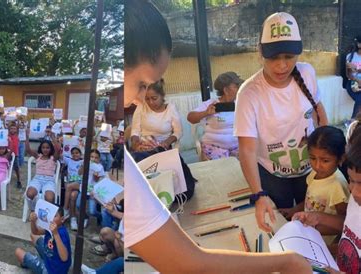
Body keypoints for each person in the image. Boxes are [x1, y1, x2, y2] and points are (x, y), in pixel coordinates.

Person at [123, 1, 311, 272]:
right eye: (142, 85)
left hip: (301, 168)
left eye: (149, 89)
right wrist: (287, 260)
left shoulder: (307, 76)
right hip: (267, 171)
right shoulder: (247, 93)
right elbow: (189, 263)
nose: (138, 100)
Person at [234, 12, 328, 233]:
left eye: (289, 56)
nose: (282, 66)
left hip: (311, 170)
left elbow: (319, 113)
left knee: (315, 223)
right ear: (260, 53)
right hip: (273, 176)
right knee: (285, 228)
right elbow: (246, 150)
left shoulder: (307, 73)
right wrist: (258, 194)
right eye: (274, 57)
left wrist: (328, 156)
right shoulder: (249, 93)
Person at [293, 131, 361, 274]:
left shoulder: (337, 185)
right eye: (351, 180)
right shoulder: (356, 202)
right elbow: (349, 235)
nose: (353, 192)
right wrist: (318, 217)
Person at [278, 126, 349, 221]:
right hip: (308, 230)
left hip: (322, 235)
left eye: (325, 161)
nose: (317, 165)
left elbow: (343, 221)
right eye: (312, 158)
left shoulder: (337, 186)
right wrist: (293, 210)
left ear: (341, 159)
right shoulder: (314, 174)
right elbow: (311, 200)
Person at [187, 72, 243, 161]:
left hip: (237, 147)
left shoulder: (241, 103)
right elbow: (190, 118)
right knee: (221, 170)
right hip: (214, 147)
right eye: (236, 86)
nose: (239, 88)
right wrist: (205, 113)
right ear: (226, 90)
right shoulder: (211, 104)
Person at [130, 78, 182, 153]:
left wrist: (166, 142)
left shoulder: (170, 109)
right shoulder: (141, 106)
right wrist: (135, 142)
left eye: (154, 98)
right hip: (144, 147)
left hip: (163, 148)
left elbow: (178, 132)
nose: (150, 102)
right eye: (147, 99)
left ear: (162, 96)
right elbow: (135, 130)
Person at [15, 208, 71, 274]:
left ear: (62, 219)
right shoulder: (50, 226)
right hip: (50, 255)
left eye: (55, 216)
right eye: (51, 215)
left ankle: (29, 263)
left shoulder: (62, 233)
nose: (51, 218)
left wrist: (55, 234)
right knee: (33, 236)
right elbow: (35, 232)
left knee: (18, 252)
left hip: (52, 271)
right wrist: (33, 222)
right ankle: (40, 260)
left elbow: (64, 258)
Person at [25, 129, 59, 211]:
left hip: (49, 180)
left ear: (51, 149)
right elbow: (28, 150)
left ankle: (46, 214)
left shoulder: (53, 158)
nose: (45, 149)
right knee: (29, 194)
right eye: (43, 147)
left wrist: (52, 136)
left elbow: (58, 149)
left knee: (50, 198)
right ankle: (33, 210)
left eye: (48, 148)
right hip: (38, 179)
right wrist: (27, 136)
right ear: (41, 148)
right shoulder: (38, 156)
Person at [76, 149, 105, 230]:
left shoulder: (100, 167)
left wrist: (96, 175)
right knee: (78, 205)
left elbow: (97, 180)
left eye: (96, 157)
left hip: (93, 191)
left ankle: (102, 216)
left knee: (92, 211)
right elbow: (79, 173)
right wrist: (83, 165)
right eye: (91, 157)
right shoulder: (85, 163)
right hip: (83, 189)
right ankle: (85, 217)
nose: (93, 159)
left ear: (99, 159)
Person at [62, 147, 83, 222]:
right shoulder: (69, 160)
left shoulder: (82, 162)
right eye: (73, 153)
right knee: (73, 195)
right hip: (71, 182)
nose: (75, 154)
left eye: (77, 153)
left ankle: (65, 208)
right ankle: (73, 218)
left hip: (79, 182)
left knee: (68, 186)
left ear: (80, 154)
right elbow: (59, 153)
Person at [345, 35, 361, 119]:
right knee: (360, 99)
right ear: (358, 44)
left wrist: (357, 69)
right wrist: (357, 80)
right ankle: (353, 121)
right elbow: (348, 75)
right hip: (352, 84)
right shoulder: (350, 57)